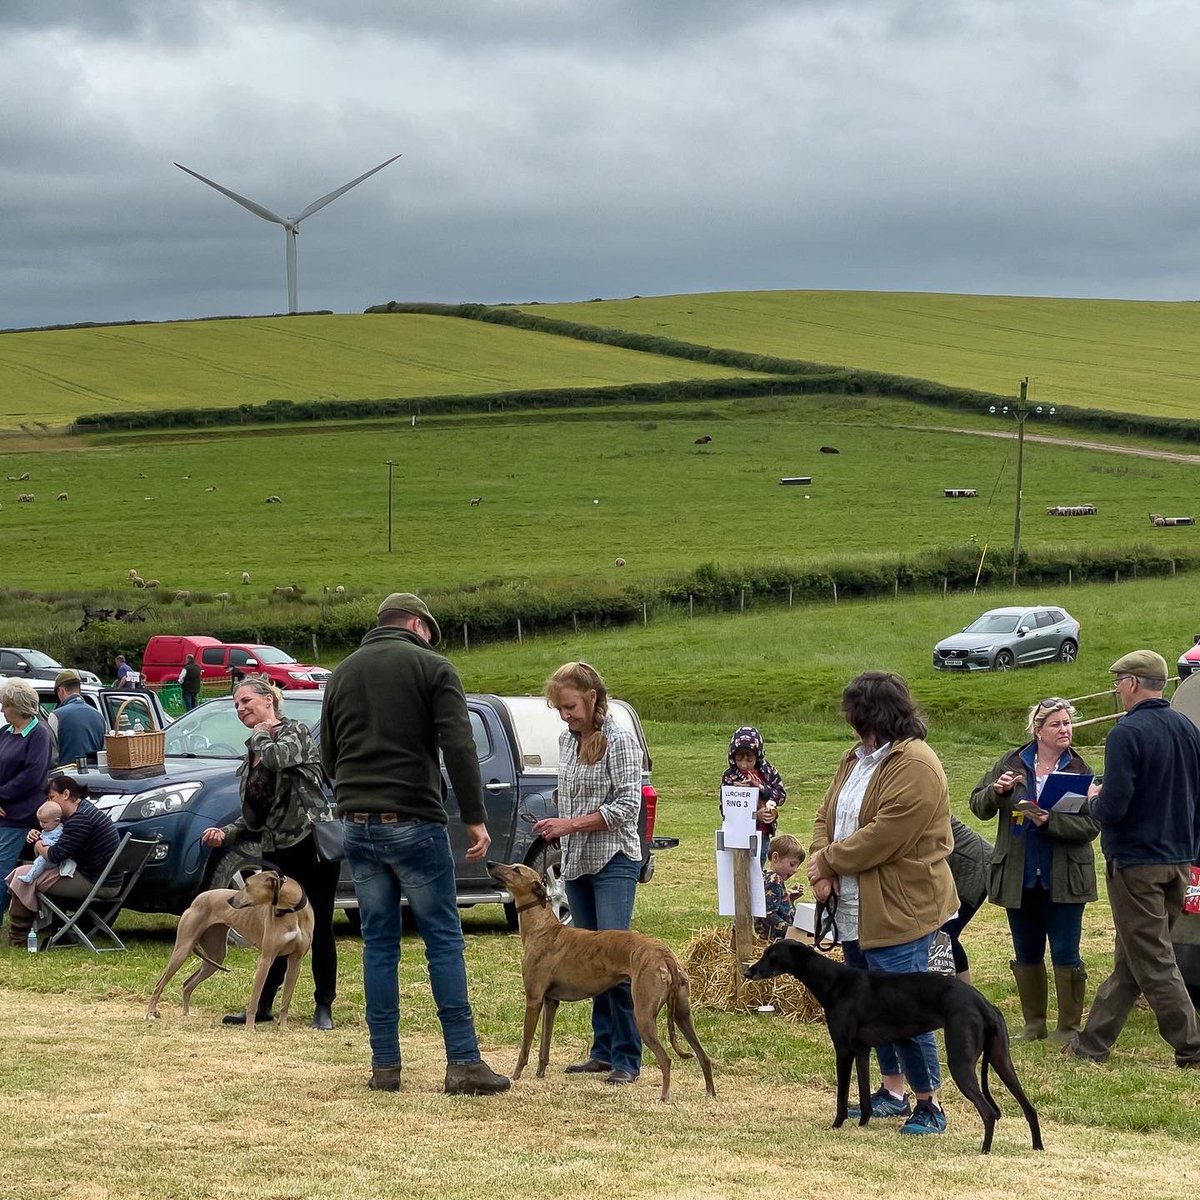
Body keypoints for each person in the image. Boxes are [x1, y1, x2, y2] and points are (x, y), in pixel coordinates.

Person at [321, 591, 509, 1096]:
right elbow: (459, 745)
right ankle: (463, 1063)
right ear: (416, 624)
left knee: (378, 944)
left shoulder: (341, 673)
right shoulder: (433, 668)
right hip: (414, 820)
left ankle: (385, 1067)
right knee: (442, 940)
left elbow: (328, 756)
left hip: (356, 823)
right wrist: (474, 817)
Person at [806, 670, 956, 1136]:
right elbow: (825, 813)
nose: (846, 717)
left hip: (899, 906)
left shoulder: (915, 764)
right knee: (869, 1005)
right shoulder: (855, 758)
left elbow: (886, 836)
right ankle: (892, 1091)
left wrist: (828, 860)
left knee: (903, 1006)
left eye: (851, 708)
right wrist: (821, 860)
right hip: (855, 907)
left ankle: (929, 1102)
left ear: (868, 712)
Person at [1069, 651, 1200, 1068]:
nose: (1116, 689)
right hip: (1179, 859)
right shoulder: (1187, 727)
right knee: (1134, 959)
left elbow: (1115, 805)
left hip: (1137, 863)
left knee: (1156, 960)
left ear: (1131, 683)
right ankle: (1092, 1044)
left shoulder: (1127, 732)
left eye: (1117, 682)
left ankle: (1193, 1046)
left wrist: (1092, 800)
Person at [200, 676, 340, 1030]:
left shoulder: (296, 733)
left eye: (246, 701)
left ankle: (323, 1005)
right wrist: (227, 832)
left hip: (311, 844)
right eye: (236, 705)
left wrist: (263, 733)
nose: (240, 708)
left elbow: (278, 759)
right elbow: (256, 812)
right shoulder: (254, 749)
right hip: (277, 849)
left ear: (269, 700)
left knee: (318, 924)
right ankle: (263, 1006)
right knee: (273, 925)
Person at [533, 661, 645, 1087]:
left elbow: (626, 809)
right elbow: (572, 795)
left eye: (570, 706)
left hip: (614, 860)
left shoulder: (621, 740)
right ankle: (601, 1051)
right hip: (577, 862)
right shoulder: (566, 740)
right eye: (560, 708)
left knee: (616, 958)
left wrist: (571, 824)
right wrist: (556, 822)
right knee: (587, 959)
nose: (565, 715)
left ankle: (628, 1057)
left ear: (592, 697)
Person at [970, 697, 1099, 1042]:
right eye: (1056, 724)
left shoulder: (1080, 770)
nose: (1065, 730)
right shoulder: (1011, 762)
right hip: (1019, 874)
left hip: (1065, 876)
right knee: (1026, 950)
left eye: (1068, 723)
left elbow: (1091, 826)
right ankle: (1034, 1024)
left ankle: (1068, 1028)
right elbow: (977, 805)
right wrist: (998, 794)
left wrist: (1048, 821)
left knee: (1066, 952)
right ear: (1038, 731)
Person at [5, 774, 119, 946]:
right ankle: (46, 928)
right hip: (103, 878)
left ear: (65, 794)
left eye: (52, 797)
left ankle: (19, 938)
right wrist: (40, 835)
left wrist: (38, 844)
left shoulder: (80, 819)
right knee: (25, 874)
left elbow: (55, 855)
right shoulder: (83, 810)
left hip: (97, 882)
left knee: (23, 876)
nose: (49, 803)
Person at [0, 678, 54, 925]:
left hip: (19, 815)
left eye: (5, 705)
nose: (1, 710)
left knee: (2, 867)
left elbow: (32, 777)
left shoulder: (39, 735)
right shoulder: (4, 733)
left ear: (18, 706)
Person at [721, 726, 787, 864]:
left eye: (749, 760)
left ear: (758, 756)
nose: (744, 765)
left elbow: (780, 795)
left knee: (757, 871)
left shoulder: (768, 772)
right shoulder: (730, 776)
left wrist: (761, 789)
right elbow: (725, 810)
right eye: (739, 759)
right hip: (738, 835)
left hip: (762, 835)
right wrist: (755, 815)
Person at [940, 816, 993, 983]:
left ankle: (966, 994)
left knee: (946, 933)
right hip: (964, 865)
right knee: (943, 933)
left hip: (974, 867)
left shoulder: (923, 798)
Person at [755, 832, 806, 942]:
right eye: (792, 864)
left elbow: (775, 904)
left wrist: (790, 897)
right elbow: (769, 914)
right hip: (774, 939)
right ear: (775, 857)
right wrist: (791, 932)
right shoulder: (774, 880)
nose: (795, 870)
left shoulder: (766, 877)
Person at [51, 670, 107, 766]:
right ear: (79, 689)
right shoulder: (99, 716)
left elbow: (50, 755)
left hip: (66, 777)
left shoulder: (55, 716)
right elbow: (105, 753)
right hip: (95, 777)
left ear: (61, 691)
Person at [11, 800, 72, 884]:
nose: (41, 824)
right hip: (44, 856)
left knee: (40, 860)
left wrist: (42, 843)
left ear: (57, 820)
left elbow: (58, 847)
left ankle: (30, 877)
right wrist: (37, 835)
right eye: (40, 821)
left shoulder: (60, 831)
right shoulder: (48, 828)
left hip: (53, 860)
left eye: (44, 822)